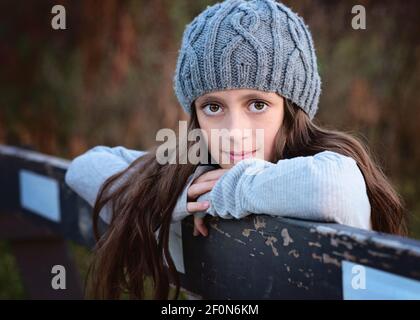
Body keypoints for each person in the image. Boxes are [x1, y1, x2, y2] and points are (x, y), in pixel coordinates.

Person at [65, 0, 407, 299]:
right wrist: (181, 194)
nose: (233, 132)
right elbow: (84, 167)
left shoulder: (322, 166)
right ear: (196, 114)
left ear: (292, 110)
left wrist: (227, 192)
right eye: (213, 107)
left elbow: (334, 188)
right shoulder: (192, 170)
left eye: (257, 104)